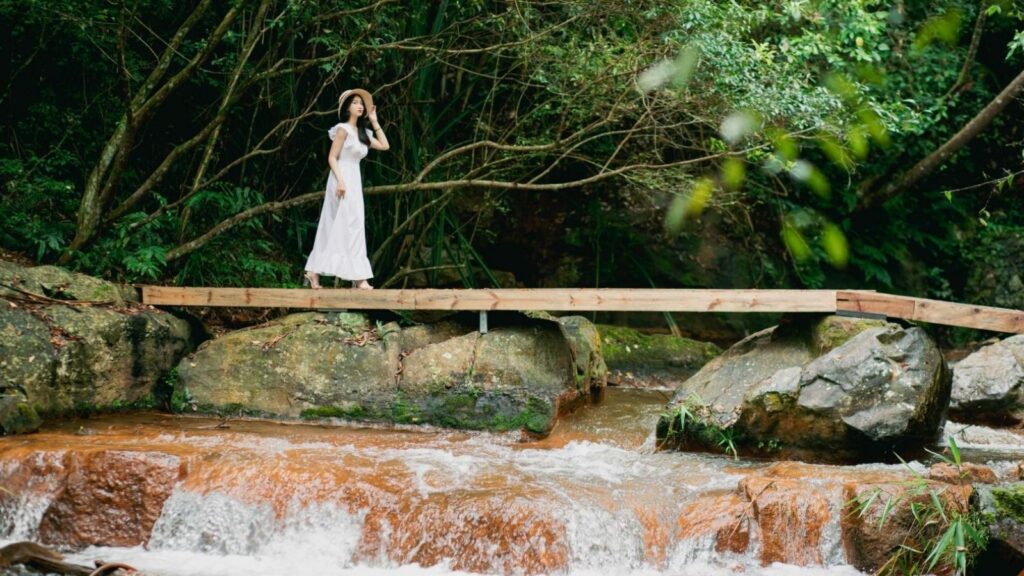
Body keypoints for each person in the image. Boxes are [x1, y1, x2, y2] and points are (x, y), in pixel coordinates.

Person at [303, 88, 390, 289]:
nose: (360, 106)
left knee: (354, 224)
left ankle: (318, 272)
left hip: (354, 179)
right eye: (355, 103)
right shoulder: (342, 129)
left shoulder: (363, 133)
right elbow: (332, 157)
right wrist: (340, 181)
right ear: (347, 108)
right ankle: (356, 278)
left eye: (361, 103)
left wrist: (375, 121)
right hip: (341, 177)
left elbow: (385, 146)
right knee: (337, 223)